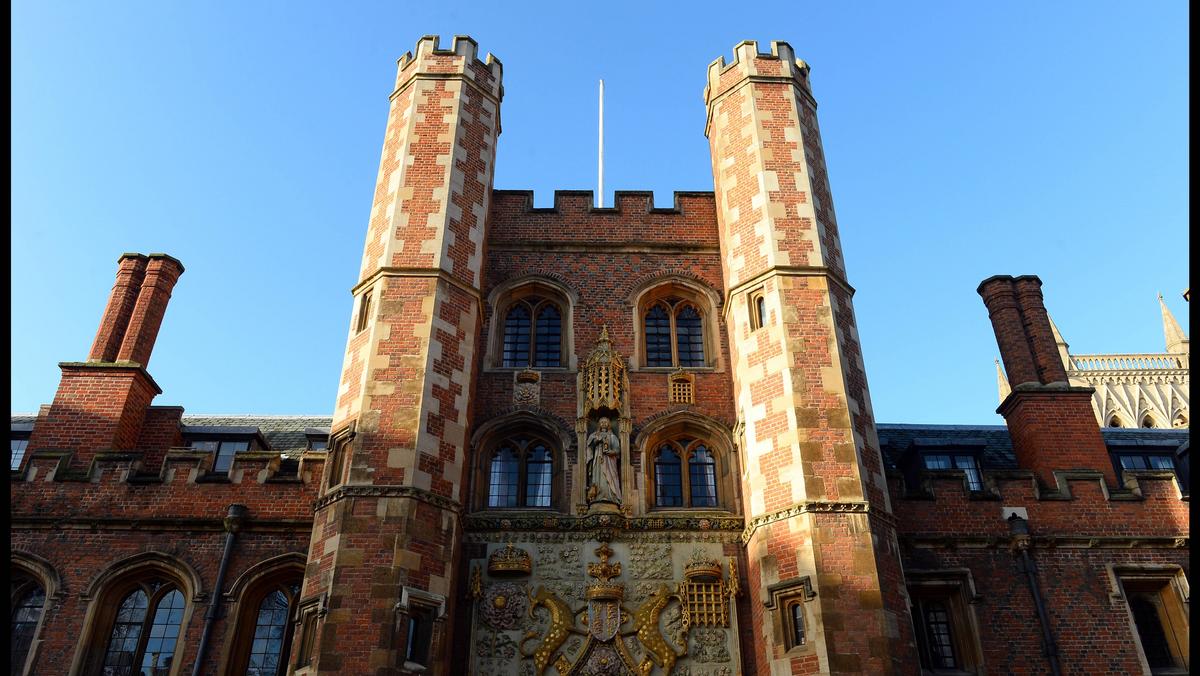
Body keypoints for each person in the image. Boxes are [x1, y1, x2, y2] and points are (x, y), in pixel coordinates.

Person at [585, 417, 622, 505]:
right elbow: (589, 446)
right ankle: (597, 496)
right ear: (599, 424)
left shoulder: (612, 436)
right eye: (602, 422)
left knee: (609, 477)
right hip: (598, 459)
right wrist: (596, 441)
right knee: (598, 476)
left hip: (609, 460)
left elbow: (617, 449)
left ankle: (611, 496)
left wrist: (611, 452)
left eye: (606, 422)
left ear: (609, 424)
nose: (604, 424)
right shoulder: (594, 435)